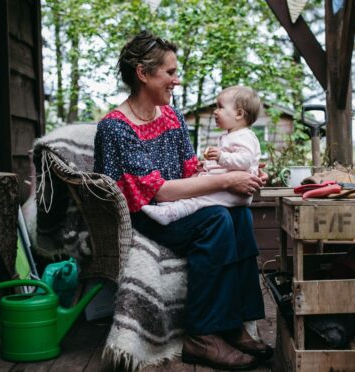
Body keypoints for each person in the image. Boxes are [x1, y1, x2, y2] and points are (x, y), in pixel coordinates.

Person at [94, 30, 272, 370]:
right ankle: (201, 337)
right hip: (145, 215)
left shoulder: (171, 117)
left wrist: (241, 178)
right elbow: (158, 191)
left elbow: (191, 171)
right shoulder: (116, 127)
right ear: (143, 74)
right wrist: (226, 179)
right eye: (170, 72)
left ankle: (235, 324)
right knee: (217, 220)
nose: (177, 80)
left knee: (237, 215)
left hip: (179, 208)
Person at [141, 85, 262, 225]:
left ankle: (171, 213)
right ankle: (171, 208)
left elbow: (245, 161)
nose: (215, 112)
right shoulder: (234, 135)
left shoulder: (244, 136)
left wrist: (221, 156)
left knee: (199, 200)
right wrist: (207, 165)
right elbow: (231, 165)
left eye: (220, 107)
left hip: (234, 193)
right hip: (231, 189)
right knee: (198, 192)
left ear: (239, 114)